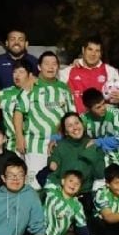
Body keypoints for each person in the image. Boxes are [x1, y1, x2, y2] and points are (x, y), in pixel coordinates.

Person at [14, 51, 75, 189]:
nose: (51, 67)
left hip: (59, 144)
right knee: (35, 186)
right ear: (39, 67)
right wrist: (19, 136)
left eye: (54, 64)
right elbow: (18, 112)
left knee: (58, 185)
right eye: (47, 63)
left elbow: (71, 116)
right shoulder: (30, 87)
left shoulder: (64, 88)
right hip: (36, 144)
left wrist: (59, 136)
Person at [45, 112, 106, 220]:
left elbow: (100, 173)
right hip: (64, 194)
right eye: (70, 126)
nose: (75, 128)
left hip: (84, 194)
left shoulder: (93, 144)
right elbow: (53, 174)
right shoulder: (60, 146)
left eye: (77, 123)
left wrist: (90, 154)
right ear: (66, 132)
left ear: (82, 124)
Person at [81, 88, 119, 193]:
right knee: (98, 192)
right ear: (89, 109)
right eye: (98, 107)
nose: (103, 108)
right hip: (106, 159)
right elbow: (70, 128)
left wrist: (97, 142)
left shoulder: (115, 113)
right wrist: (55, 138)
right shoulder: (84, 118)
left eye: (103, 103)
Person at [59, 36, 119, 112]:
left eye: (97, 51)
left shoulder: (109, 71)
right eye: (90, 49)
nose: (93, 54)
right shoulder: (69, 71)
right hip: (78, 121)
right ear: (83, 50)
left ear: (101, 54)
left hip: (102, 122)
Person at [44, 170, 102, 235]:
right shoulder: (53, 190)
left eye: (77, 184)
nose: (73, 184)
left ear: (79, 188)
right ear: (63, 181)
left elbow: (82, 225)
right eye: (70, 181)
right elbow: (43, 176)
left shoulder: (76, 205)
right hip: (40, 228)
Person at [0, 60, 35, 153]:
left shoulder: (38, 93)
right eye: (14, 72)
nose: (17, 75)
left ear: (30, 75)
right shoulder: (4, 94)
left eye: (21, 72)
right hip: (12, 147)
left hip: (34, 145)